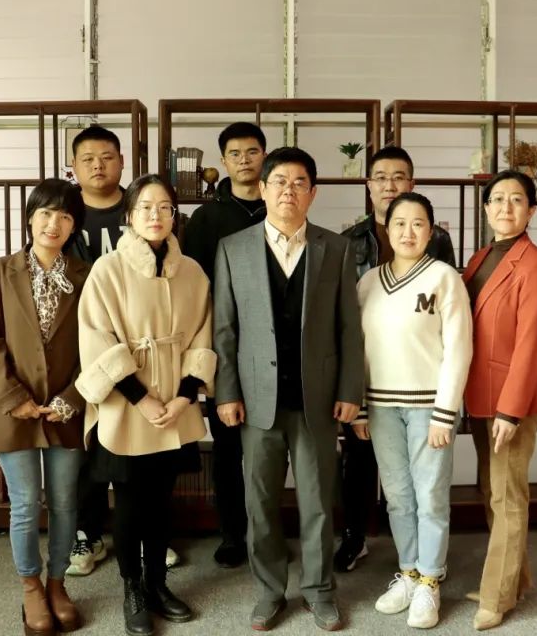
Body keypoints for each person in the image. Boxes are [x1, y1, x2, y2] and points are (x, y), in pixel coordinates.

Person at [213, 147, 365, 632]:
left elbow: (349, 327)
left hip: (317, 398)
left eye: (299, 183)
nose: (288, 191)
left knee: (318, 501)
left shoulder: (336, 248)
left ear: (312, 193)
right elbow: (225, 329)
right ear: (262, 188)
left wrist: (350, 389)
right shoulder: (233, 248)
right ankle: (269, 591)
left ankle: (319, 591)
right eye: (279, 181)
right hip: (256, 399)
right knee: (259, 503)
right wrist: (226, 393)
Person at [76, 174, 215, 636]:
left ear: (175, 215)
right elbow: (97, 339)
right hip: (127, 406)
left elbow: (203, 336)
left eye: (165, 208)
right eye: (145, 208)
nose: (156, 216)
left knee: (161, 500)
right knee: (130, 502)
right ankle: (132, 588)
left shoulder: (192, 271)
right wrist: (141, 398)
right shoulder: (107, 270)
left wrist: (184, 395)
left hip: (175, 404)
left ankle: (157, 583)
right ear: (129, 216)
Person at [64, 125, 181, 575]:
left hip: (141, 349)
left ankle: (150, 538)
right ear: (73, 166)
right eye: (88, 158)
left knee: (143, 450)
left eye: (107, 156)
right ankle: (88, 532)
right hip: (81, 341)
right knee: (91, 446)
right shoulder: (66, 210)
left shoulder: (142, 211)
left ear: (122, 161)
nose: (98, 165)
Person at [0, 178, 89, 636]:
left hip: (66, 407)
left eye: (65, 215)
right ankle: (30, 587)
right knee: (24, 504)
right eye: (45, 213)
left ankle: (58, 584)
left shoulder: (86, 274)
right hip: (13, 410)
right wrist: (14, 398)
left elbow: (97, 344)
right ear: (29, 218)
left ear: (74, 225)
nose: (53, 223)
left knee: (64, 502)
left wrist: (73, 398)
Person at [336, 146, 456, 572]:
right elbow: (346, 316)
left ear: (412, 183)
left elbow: (444, 310)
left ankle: (424, 564)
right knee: (357, 461)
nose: (390, 184)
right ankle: (355, 536)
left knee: (420, 482)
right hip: (371, 376)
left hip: (419, 378)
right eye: (381, 177)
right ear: (369, 185)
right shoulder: (350, 240)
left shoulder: (438, 240)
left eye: (399, 176)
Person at [355, 192, 472, 629]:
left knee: (430, 496)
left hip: (429, 408)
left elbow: (459, 348)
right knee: (398, 497)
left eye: (418, 223)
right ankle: (407, 572)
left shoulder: (445, 277)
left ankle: (430, 580)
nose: (408, 232)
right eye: (399, 223)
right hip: (381, 406)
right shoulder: (369, 282)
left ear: (431, 230)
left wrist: (446, 412)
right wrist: (360, 409)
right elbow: (357, 350)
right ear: (386, 229)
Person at [461, 170, 537, 631]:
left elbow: (529, 343)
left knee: (508, 495)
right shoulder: (480, 258)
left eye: (516, 199)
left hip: (510, 402)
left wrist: (511, 410)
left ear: (531, 210)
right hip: (479, 393)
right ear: (486, 208)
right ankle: (514, 581)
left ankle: (497, 597)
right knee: (492, 489)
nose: (505, 207)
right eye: (497, 199)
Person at [181, 121, 267, 569]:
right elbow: (195, 290)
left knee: (269, 447)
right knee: (229, 449)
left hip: (274, 349)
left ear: (264, 156)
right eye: (235, 153)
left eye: (252, 151)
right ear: (223, 162)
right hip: (225, 348)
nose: (244, 160)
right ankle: (232, 533)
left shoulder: (278, 206)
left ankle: (266, 532)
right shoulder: (207, 218)